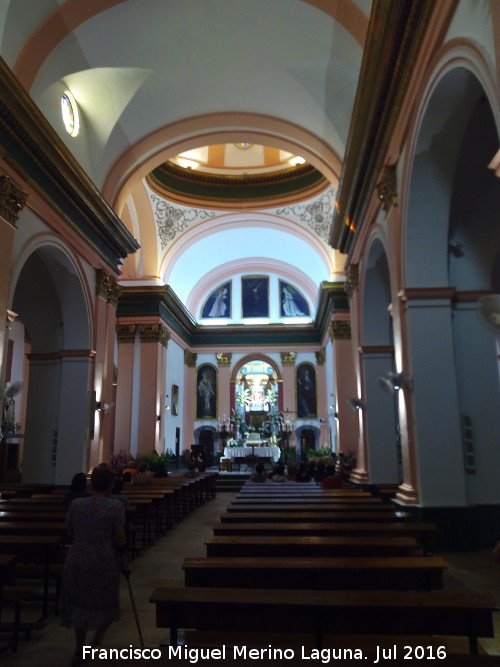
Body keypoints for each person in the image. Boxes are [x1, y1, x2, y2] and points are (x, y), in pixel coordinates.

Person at [60, 466, 127, 665]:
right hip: (103, 561)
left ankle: (79, 648)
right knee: (106, 602)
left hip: (77, 559)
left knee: (79, 603)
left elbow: (69, 531)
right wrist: (125, 559)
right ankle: (95, 644)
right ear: (110, 485)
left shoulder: (76, 505)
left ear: (92, 483)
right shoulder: (115, 507)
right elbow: (120, 537)